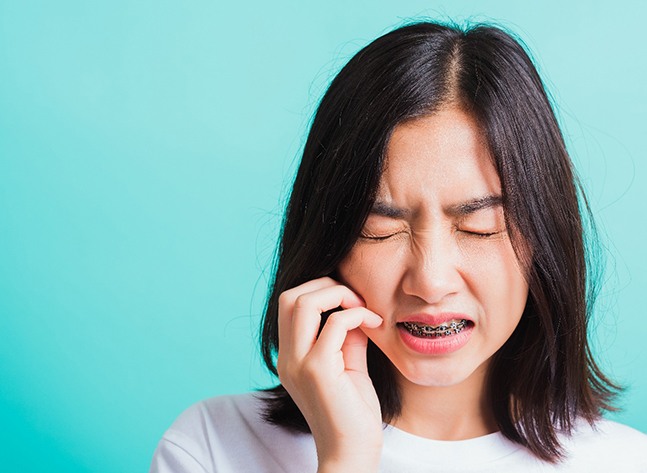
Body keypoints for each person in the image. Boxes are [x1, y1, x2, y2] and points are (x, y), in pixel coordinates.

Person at [150, 21, 647, 472]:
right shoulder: (211, 447)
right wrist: (347, 457)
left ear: (543, 239)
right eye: (380, 230)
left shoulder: (624, 462)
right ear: (329, 240)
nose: (431, 282)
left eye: (479, 226)